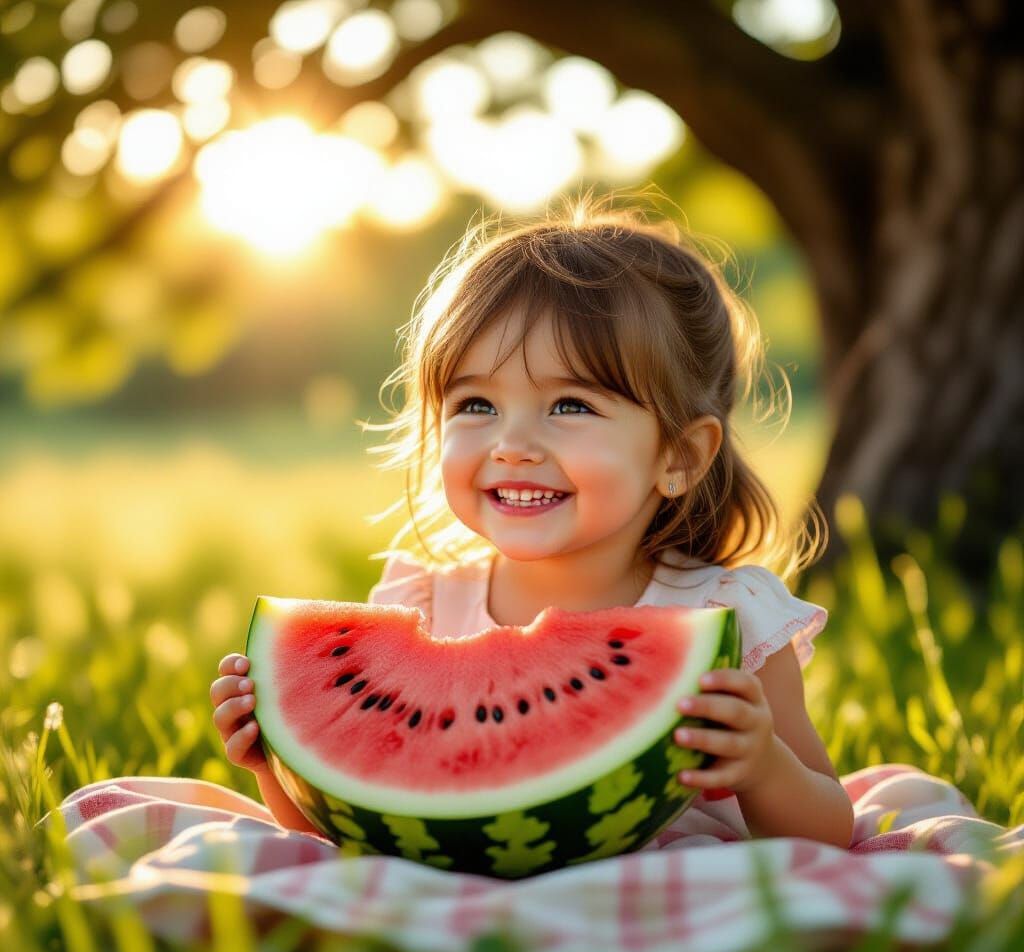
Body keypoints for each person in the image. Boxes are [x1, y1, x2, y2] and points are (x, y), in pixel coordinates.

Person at [210, 193, 854, 848]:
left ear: (679, 456)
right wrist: (281, 761)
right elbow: (360, 827)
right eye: (477, 404)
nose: (512, 444)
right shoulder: (425, 602)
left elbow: (830, 832)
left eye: (570, 406)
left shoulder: (728, 625)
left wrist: (765, 766)